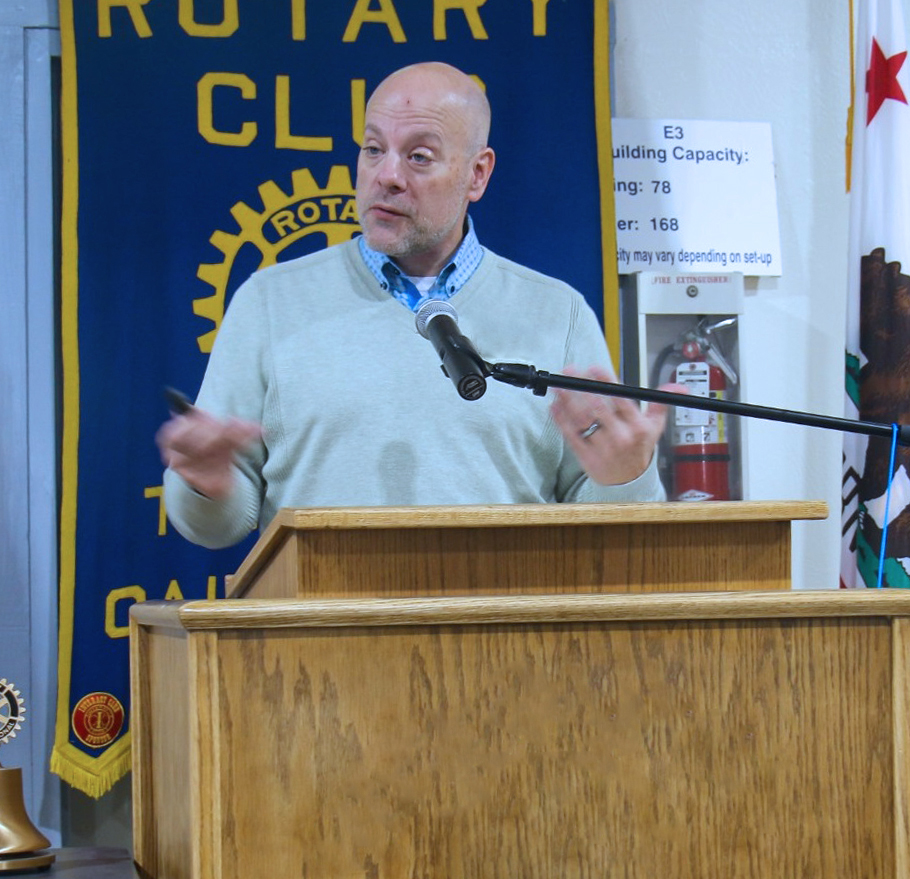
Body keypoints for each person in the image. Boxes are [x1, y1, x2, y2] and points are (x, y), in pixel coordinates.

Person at [157, 61, 673, 549]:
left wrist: (625, 477)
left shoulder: (558, 314)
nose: (387, 175)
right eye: (373, 149)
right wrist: (207, 484)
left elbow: (607, 530)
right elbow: (219, 525)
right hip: (317, 615)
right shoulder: (270, 301)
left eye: (419, 157)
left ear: (477, 174)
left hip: (503, 615)